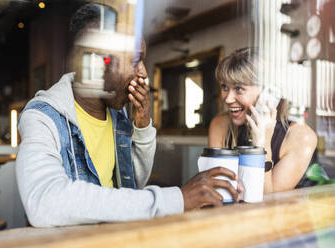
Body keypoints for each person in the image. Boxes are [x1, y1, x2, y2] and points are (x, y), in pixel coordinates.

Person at [16, 3, 238, 227]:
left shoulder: (118, 113)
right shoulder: (42, 117)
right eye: (134, 61)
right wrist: (177, 199)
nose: (143, 72)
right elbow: (44, 203)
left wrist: (142, 127)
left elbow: (132, 186)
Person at [208, 47, 317, 193]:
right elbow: (217, 189)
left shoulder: (301, 137)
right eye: (225, 87)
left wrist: (262, 143)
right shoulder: (220, 125)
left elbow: (267, 200)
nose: (228, 99)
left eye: (239, 89)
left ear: (269, 93)